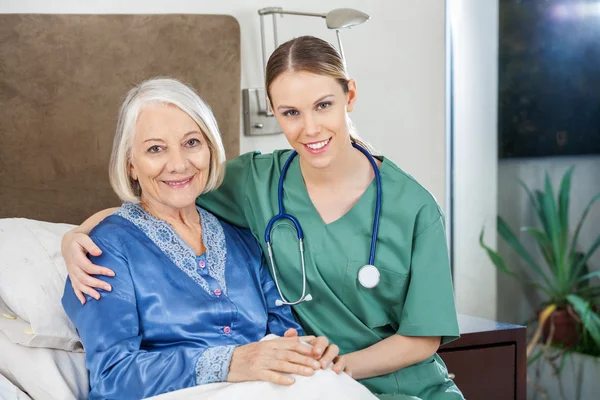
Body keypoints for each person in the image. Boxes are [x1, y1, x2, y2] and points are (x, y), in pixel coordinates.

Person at [62, 36, 464, 399]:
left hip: (392, 384)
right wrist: (75, 235)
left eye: (191, 143)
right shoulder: (252, 185)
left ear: (349, 95)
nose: (178, 163)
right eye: (291, 112)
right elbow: (159, 204)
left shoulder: (414, 207)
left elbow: (420, 337)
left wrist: (318, 360)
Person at [61, 77, 348, 400]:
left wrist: (306, 351)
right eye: (156, 149)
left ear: (210, 148)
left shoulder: (241, 239)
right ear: (131, 165)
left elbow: (282, 332)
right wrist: (229, 362)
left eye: (192, 143)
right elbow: (114, 375)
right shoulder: (106, 250)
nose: (179, 164)